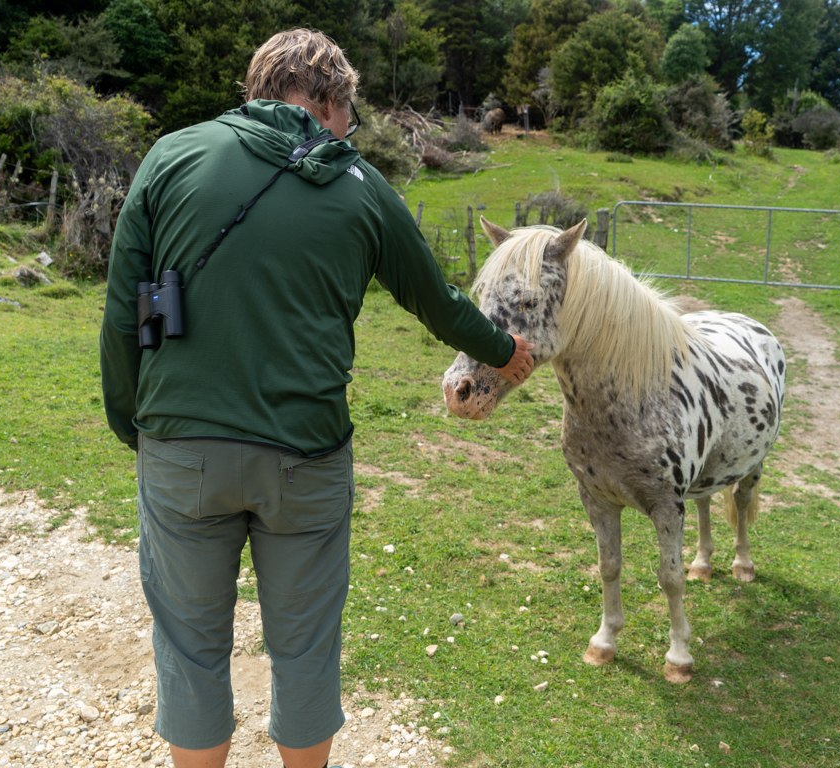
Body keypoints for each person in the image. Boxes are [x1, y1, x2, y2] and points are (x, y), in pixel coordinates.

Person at [99, 28, 534, 768]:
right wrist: (506, 352)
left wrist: (131, 421)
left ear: (259, 90)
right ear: (330, 101)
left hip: (181, 452)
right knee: (303, 648)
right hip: (307, 456)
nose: (347, 131)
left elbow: (123, 308)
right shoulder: (363, 186)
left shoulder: (171, 155)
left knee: (191, 647)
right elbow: (435, 301)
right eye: (349, 117)